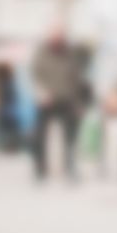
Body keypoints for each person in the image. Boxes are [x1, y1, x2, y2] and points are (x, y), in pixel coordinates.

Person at [32, 28, 86, 180]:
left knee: (71, 136)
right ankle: (40, 169)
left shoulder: (70, 54)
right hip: (46, 100)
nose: (58, 39)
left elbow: (76, 80)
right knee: (39, 135)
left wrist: (78, 103)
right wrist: (41, 92)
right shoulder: (42, 52)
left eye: (61, 37)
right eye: (55, 36)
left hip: (67, 99)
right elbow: (36, 74)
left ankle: (70, 168)